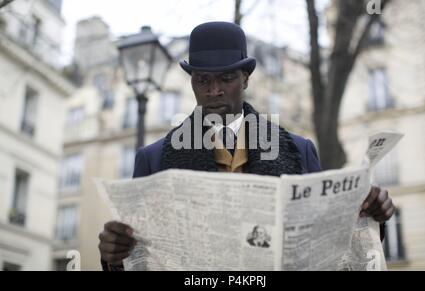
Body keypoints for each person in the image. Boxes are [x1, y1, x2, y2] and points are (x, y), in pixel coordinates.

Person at [98, 22, 395, 270]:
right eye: (203, 80)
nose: (213, 91)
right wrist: (113, 255)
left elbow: (330, 251)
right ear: (192, 83)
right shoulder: (152, 159)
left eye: (226, 78)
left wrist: (371, 216)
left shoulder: (299, 149)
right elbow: (135, 260)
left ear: (246, 79)